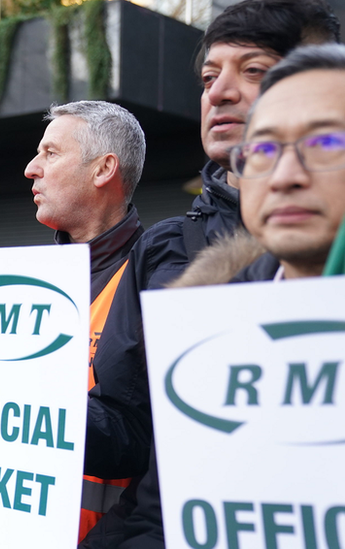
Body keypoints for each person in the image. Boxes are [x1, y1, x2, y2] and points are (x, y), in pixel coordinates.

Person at [122, 43, 345, 548]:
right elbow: (160, 515)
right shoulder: (211, 327)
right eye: (264, 150)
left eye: (326, 143)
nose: (286, 176)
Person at [0, 100, 147, 541]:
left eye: (50, 153)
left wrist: (10, 396)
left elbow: (141, 441)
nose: (30, 169)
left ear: (103, 170)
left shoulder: (155, 281)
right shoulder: (23, 286)